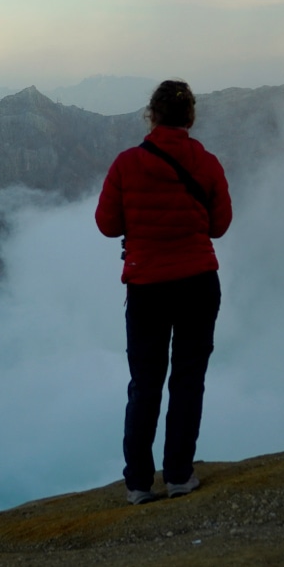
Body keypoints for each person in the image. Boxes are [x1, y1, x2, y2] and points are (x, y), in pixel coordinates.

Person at [95, 79, 232, 505]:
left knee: (145, 383)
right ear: (189, 118)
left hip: (147, 288)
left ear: (151, 116)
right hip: (197, 283)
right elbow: (220, 226)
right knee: (188, 380)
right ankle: (178, 476)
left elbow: (107, 225)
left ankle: (138, 483)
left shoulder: (126, 164)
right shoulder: (206, 162)